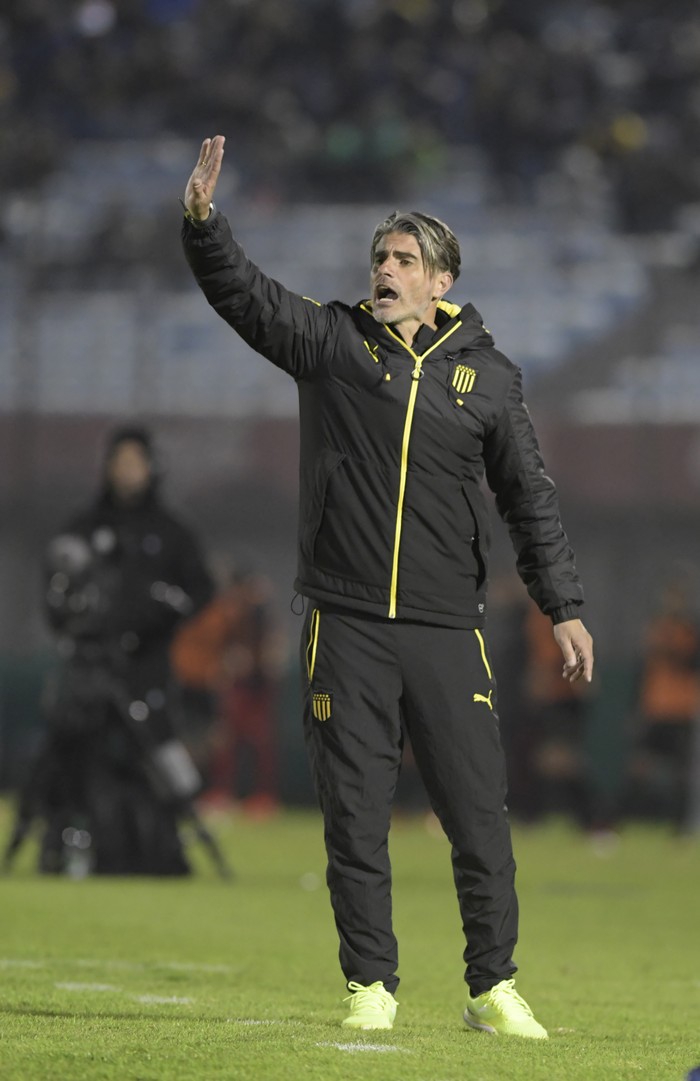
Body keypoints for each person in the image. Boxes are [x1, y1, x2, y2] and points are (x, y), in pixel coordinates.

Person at [180, 135, 594, 1037]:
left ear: (441, 280)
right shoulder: (333, 343)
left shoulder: (488, 380)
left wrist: (563, 606)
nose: (386, 268)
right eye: (380, 256)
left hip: (449, 627)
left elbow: (531, 500)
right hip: (349, 620)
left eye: (405, 259)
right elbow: (247, 300)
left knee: (480, 818)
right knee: (355, 819)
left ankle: (493, 986)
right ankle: (371, 983)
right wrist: (206, 226)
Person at [12, 425, 217, 876]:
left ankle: (160, 846)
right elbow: (56, 590)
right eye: (119, 463)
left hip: (147, 668)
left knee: (155, 759)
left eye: (135, 462)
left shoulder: (171, 530)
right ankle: (64, 844)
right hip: (88, 667)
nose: (126, 472)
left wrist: (165, 611)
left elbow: (202, 588)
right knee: (72, 757)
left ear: (152, 468)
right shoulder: (84, 527)